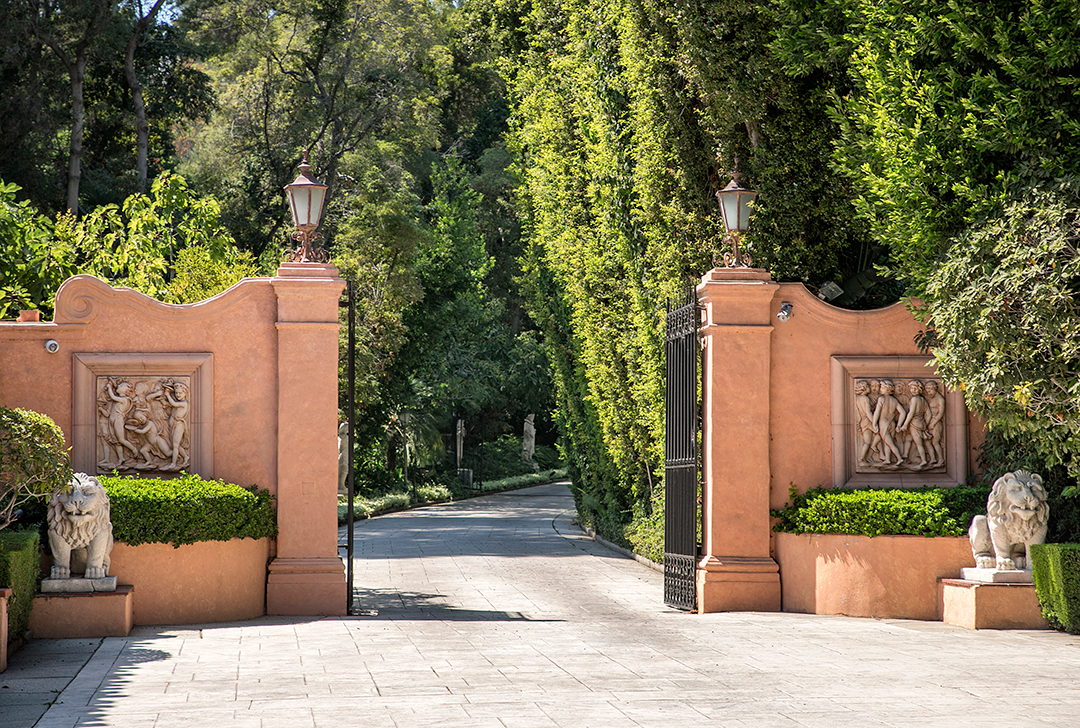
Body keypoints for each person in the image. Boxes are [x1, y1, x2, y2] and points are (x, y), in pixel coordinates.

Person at [871, 379, 906, 467]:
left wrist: (874, 423)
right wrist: (898, 425)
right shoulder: (894, 400)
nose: (880, 389)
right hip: (892, 424)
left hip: (883, 424)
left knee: (890, 443)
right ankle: (887, 459)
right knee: (887, 443)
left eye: (882, 387)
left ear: (887, 389)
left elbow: (877, 412)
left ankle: (899, 458)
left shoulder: (881, 398)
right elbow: (903, 412)